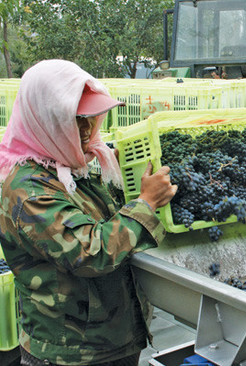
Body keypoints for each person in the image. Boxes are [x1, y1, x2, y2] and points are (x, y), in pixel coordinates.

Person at [0, 60, 177, 365]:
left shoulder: (67, 166)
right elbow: (89, 251)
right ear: (45, 120)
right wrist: (145, 203)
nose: (85, 129)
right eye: (75, 119)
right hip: (69, 351)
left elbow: (103, 215)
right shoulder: (28, 191)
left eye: (90, 118)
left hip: (111, 339)